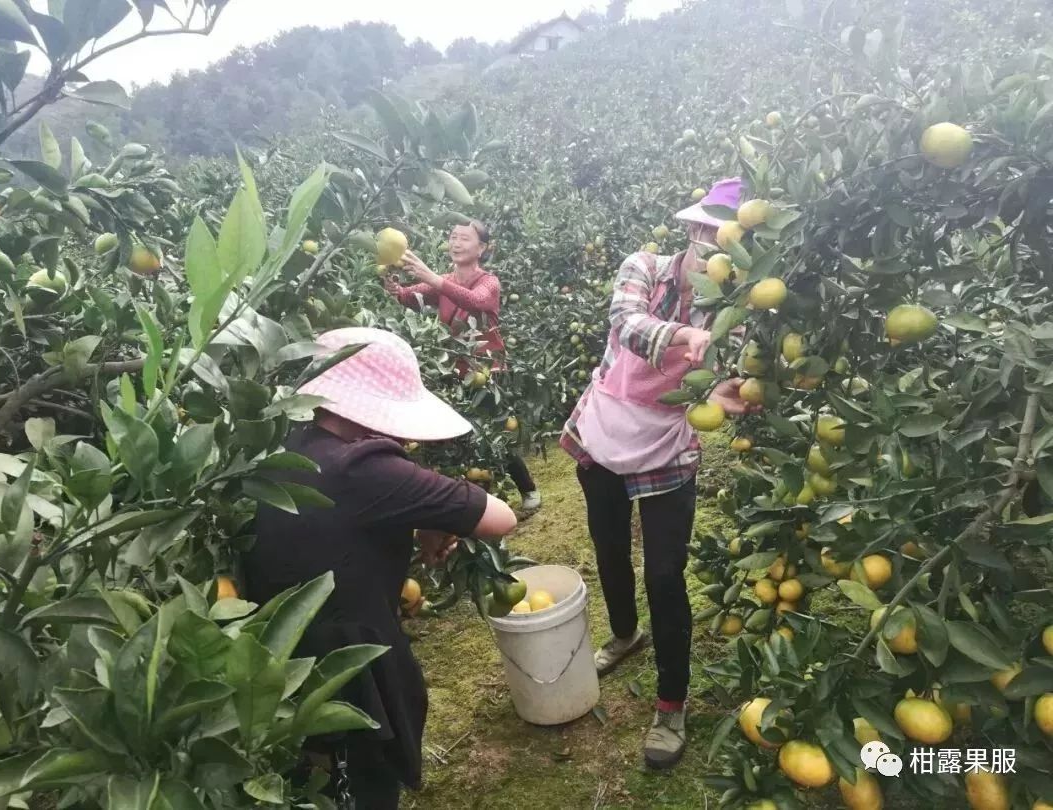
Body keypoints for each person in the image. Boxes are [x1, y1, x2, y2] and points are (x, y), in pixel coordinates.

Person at [242, 327, 518, 809]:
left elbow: (334, 528)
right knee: (363, 783)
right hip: (345, 668)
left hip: (277, 656)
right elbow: (500, 518)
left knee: (319, 780)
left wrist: (420, 519)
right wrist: (429, 509)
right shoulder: (363, 467)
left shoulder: (288, 444)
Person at [559, 178, 759, 770]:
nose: (721, 253)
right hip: (606, 428)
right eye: (716, 237)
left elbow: (730, 371)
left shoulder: (736, 305)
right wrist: (686, 335)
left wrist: (728, 387)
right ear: (696, 232)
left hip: (666, 442)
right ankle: (625, 635)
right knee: (609, 546)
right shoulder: (642, 266)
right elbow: (625, 322)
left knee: (667, 574)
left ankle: (671, 704)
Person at [384, 221, 543, 513]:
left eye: (465, 238)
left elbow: (477, 301)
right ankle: (480, 503)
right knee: (460, 437)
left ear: (481, 248)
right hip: (453, 371)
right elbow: (410, 297)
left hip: (486, 371)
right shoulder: (442, 281)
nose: (456, 243)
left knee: (491, 433)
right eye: (453, 237)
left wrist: (433, 278)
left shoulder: (488, 282)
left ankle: (527, 488)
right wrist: (395, 287)